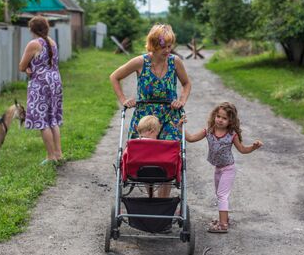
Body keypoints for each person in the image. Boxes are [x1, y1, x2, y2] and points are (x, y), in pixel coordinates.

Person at [110, 24, 192, 197]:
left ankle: (163, 202)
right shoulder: (141, 62)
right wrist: (124, 100)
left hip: (169, 116)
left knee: (168, 158)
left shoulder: (175, 62)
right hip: (145, 117)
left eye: (170, 46)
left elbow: (186, 84)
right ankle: (150, 199)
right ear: (153, 45)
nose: (168, 50)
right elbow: (114, 77)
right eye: (164, 47)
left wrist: (181, 101)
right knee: (146, 157)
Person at [181, 102, 263, 233]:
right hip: (218, 169)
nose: (220, 120)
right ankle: (224, 218)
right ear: (214, 115)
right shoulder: (208, 131)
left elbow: (242, 150)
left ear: (230, 120)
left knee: (222, 195)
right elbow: (190, 138)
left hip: (228, 169)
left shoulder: (232, 134)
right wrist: (181, 127)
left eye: (224, 118)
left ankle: (223, 224)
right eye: (218, 116)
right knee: (219, 195)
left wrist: (253, 147)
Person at [19, 16, 63, 165]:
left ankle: (51, 157)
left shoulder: (34, 44)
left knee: (42, 121)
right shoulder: (53, 42)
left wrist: (28, 69)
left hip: (40, 84)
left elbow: (21, 66)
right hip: (55, 81)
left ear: (32, 29)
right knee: (53, 119)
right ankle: (58, 154)